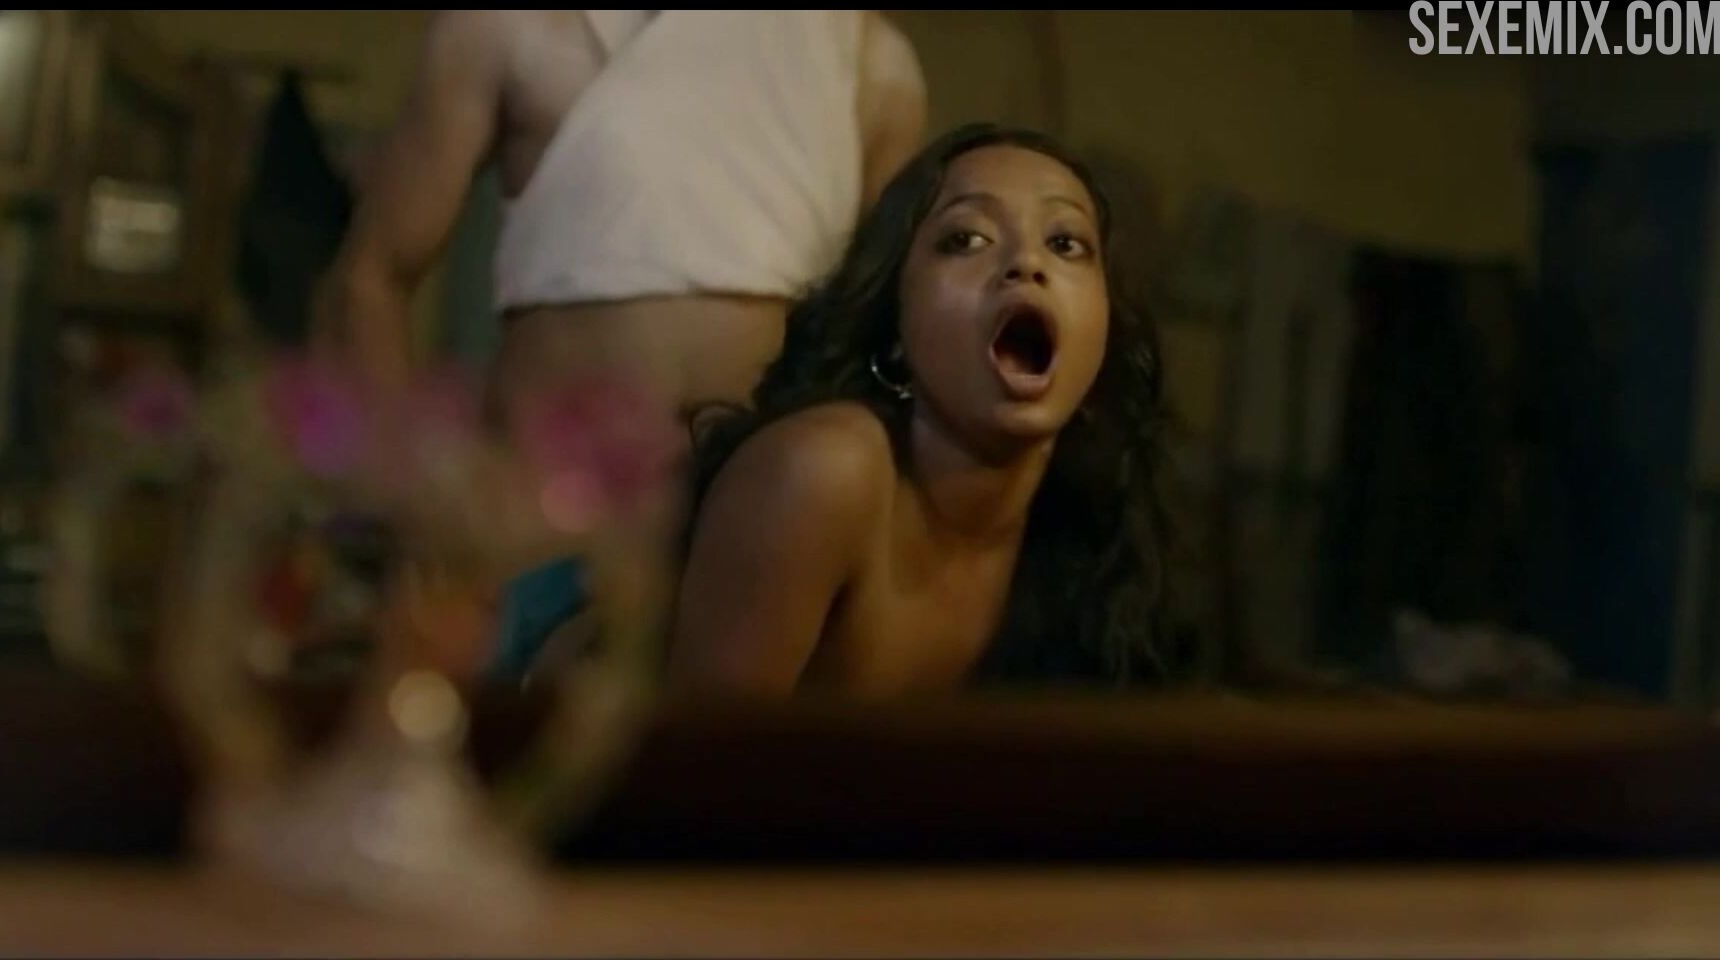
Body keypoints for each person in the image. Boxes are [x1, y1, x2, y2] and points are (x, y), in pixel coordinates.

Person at [315, 11, 928, 678]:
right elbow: (368, 280)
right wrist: (417, 501)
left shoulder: (872, 66)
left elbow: (886, 336)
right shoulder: (508, 28)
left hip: (748, 564)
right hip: (531, 542)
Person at [669, 123, 1193, 697]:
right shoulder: (818, 472)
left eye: (1065, 243)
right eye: (967, 238)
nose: (1026, 262)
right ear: (893, 325)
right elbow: (699, 751)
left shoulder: (1095, 528)